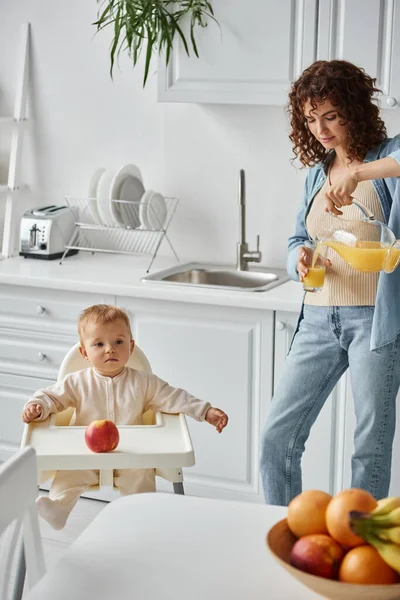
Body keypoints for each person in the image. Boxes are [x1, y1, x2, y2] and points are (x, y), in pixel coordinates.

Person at [260, 59, 400, 506]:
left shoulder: (384, 158)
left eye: (331, 115)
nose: (320, 128)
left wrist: (357, 173)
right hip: (318, 320)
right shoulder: (316, 174)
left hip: (373, 324)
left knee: (368, 446)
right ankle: (279, 533)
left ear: (353, 110)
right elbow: (299, 237)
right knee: (276, 438)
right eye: (310, 118)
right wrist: (296, 257)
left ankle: (361, 552)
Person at [22, 304, 228, 529]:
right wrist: (37, 405)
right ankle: (59, 508)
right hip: (86, 454)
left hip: (131, 455)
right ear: (84, 353)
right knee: (69, 474)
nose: (110, 349)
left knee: (140, 477)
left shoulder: (144, 382)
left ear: (130, 347)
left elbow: (174, 397)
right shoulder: (76, 382)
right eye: (99, 344)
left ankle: (140, 520)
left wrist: (204, 411)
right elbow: (51, 396)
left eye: (118, 342)